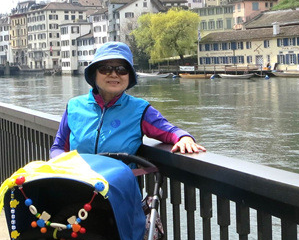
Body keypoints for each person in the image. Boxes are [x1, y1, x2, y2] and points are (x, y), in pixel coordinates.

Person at [50, 41, 205, 158]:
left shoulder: (140, 110)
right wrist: (65, 165)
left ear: (129, 76)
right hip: (79, 186)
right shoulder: (74, 106)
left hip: (119, 188)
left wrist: (185, 138)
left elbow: (170, 131)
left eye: (121, 69)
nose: (113, 74)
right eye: (105, 69)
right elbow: (58, 148)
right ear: (94, 74)